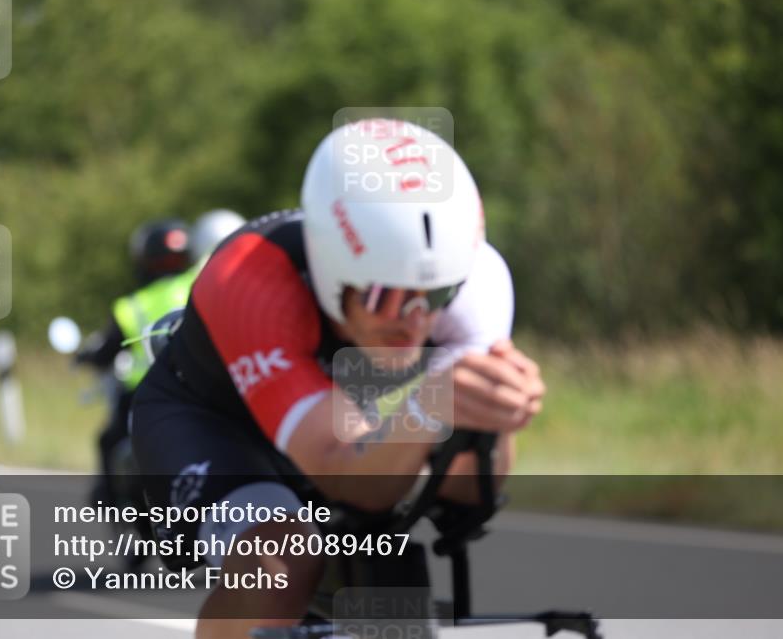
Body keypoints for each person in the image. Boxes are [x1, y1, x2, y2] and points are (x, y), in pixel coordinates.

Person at [130, 119, 545, 638]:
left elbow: (467, 490)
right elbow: (348, 474)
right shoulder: (251, 279)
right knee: (282, 563)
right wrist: (432, 407)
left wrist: (495, 420)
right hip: (213, 421)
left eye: (435, 296)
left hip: (335, 417)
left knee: (386, 560)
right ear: (330, 265)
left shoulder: (477, 282)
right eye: (383, 296)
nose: (413, 319)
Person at [76, 213, 245, 511]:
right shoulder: (204, 279)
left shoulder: (131, 306)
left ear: (143, 259)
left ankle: (112, 501)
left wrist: (85, 355)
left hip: (145, 392)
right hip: (206, 384)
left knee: (107, 440)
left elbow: (105, 350)